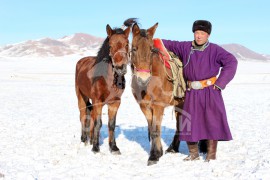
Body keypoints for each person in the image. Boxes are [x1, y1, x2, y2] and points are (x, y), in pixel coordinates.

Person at [162, 20, 237, 162]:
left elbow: (232, 62)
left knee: (212, 120)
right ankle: (194, 154)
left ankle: (211, 154)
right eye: (197, 32)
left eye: (202, 33)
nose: (199, 36)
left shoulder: (215, 50)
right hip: (191, 92)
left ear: (208, 35)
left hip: (210, 91)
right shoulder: (185, 47)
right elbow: (170, 44)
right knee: (189, 121)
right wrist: (151, 39)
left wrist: (221, 82)